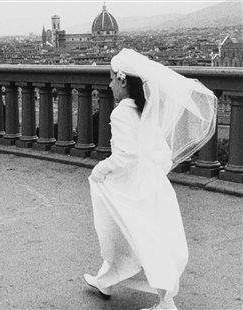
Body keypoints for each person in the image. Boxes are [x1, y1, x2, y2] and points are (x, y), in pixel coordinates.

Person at [84, 48, 217, 310]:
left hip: (129, 186)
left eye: (111, 78)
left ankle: (165, 301)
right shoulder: (144, 111)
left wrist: (100, 169)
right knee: (136, 234)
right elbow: (160, 153)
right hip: (150, 183)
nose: (109, 85)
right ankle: (106, 280)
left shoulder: (122, 112)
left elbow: (125, 155)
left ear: (123, 81)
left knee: (132, 236)